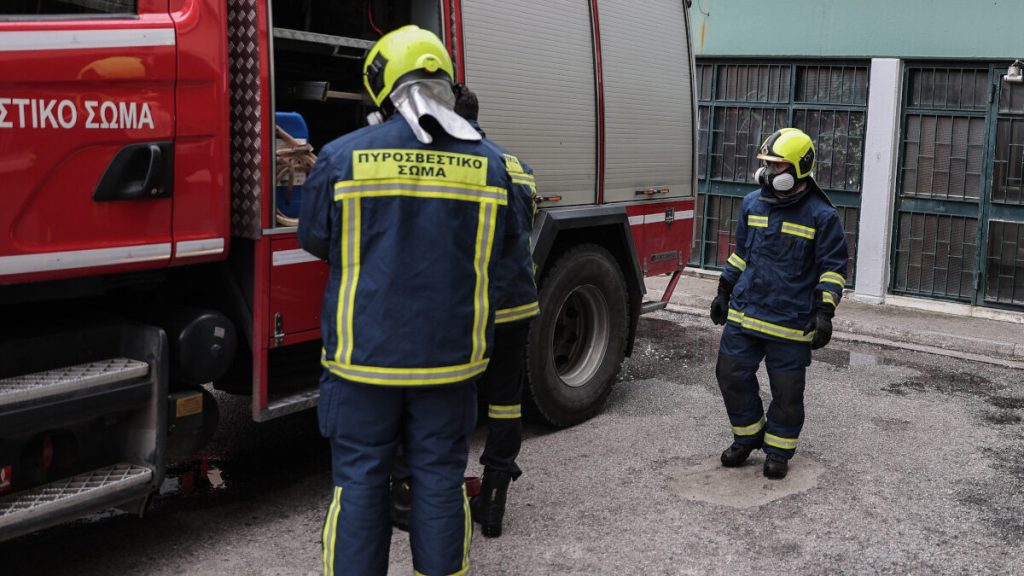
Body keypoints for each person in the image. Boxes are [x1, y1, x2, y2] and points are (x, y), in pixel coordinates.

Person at [298, 25, 534, 576]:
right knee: (438, 479)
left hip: (362, 362)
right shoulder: (492, 164)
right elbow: (508, 246)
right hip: (451, 363)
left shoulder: (340, 158)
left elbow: (315, 239)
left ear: (381, 86)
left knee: (358, 481)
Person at [389, 83, 540, 539]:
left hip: (464, 309)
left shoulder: (449, 163)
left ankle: (421, 496)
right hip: (516, 304)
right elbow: (523, 226)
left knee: (441, 400)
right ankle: (493, 501)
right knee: (505, 402)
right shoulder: (515, 163)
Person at [709, 128, 849, 480]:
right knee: (730, 375)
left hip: (790, 321)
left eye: (778, 166)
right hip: (745, 311)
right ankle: (747, 437)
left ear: (800, 168)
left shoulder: (822, 216)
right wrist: (724, 288)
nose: (769, 174)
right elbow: (742, 254)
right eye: (766, 165)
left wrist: (825, 313)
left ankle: (778, 451)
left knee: (787, 393)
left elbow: (832, 269)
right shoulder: (752, 203)